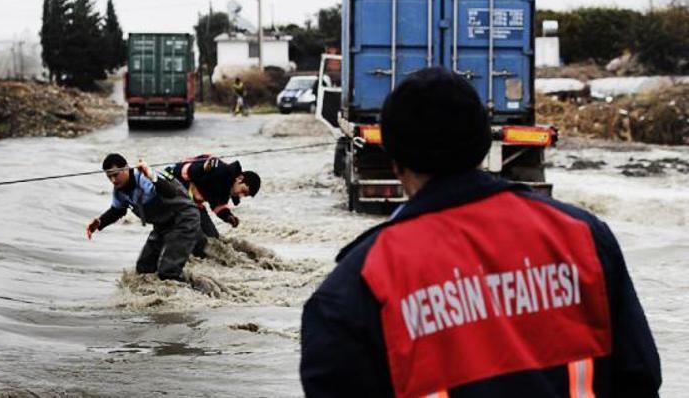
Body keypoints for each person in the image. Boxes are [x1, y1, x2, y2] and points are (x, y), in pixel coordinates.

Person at [299, 67, 661, 397]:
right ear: (484, 145)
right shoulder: (584, 238)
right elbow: (639, 380)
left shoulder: (357, 287)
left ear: (394, 161)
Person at [86, 153, 202, 281]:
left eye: (115, 175)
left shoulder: (145, 177)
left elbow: (170, 193)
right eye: (109, 177)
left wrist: (153, 177)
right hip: (163, 225)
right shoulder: (119, 190)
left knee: (168, 272)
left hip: (184, 219)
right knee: (143, 268)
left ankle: (199, 291)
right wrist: (100, 222)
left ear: (126, 168)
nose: (113, 180)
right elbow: (117, 211)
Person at [164, 154, 260, 239]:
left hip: (192, 202)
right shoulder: (219, 170)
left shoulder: (228, 188)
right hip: (171, 183)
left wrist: (228, 216)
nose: (241, 195)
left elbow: (217, 204)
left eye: (245, 195)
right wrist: (203, 168)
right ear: (239, 179)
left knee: (212, 238)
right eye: (243, 191)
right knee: (190, 227)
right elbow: (185, 170)